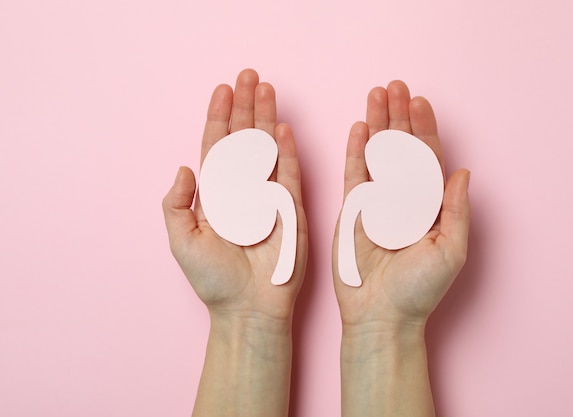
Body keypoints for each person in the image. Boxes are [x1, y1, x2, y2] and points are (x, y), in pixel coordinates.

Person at [162, 69, 470, 417]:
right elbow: (329, 211)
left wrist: (388, 323)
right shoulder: (337, 197)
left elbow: (311, 213)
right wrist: (244, 315)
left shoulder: (347, 198)